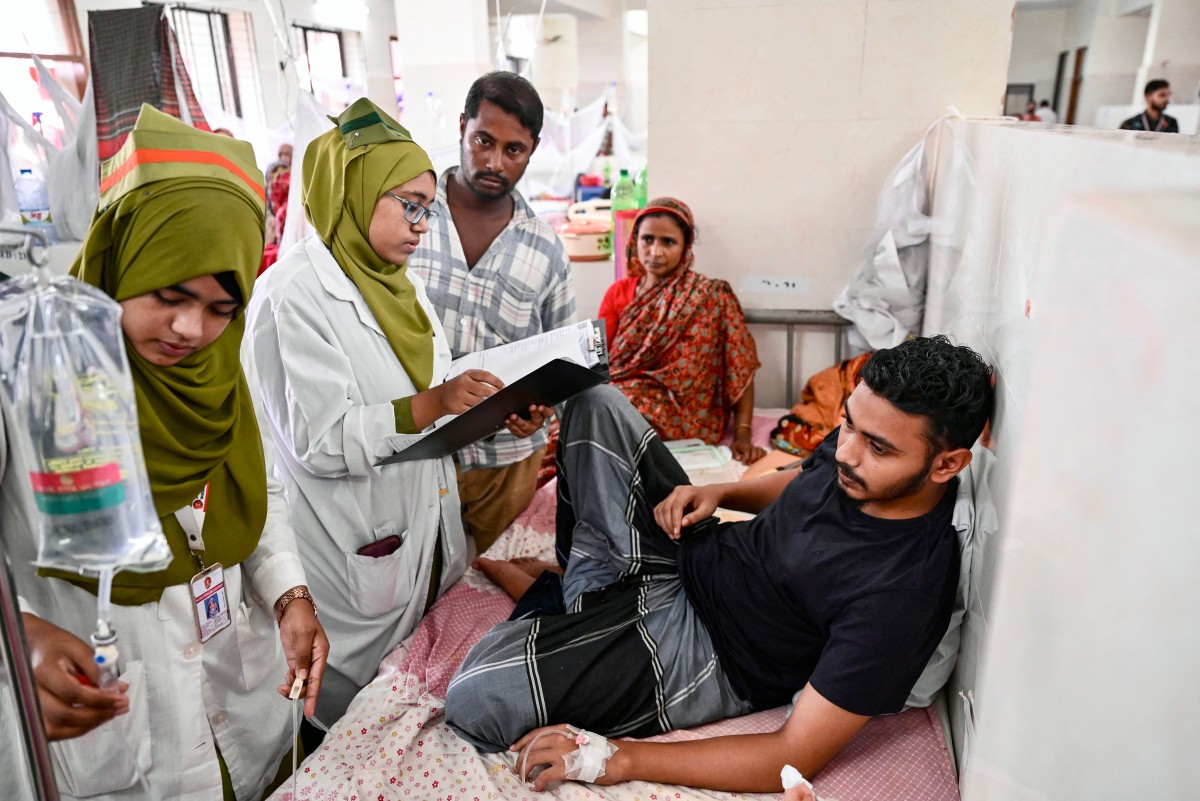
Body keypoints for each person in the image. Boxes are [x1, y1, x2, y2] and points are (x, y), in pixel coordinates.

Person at [445, 335, 993, 794]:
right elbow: (805, 480)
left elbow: (795, 752)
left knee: (476, 700)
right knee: (596, 403)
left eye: (877, 448)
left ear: (948, 464)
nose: (847, 452)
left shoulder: (903, 592)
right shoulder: (861, 447)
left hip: (706, 650)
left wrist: (621, 759)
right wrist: (720, 491)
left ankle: (576, 601)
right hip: (695, 553)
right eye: (848, 425)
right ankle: (584, 601)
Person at [0, 104, 327, 799]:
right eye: (171, 295)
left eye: (220, 307)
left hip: (236, 710)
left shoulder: (216, 369)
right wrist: (19, 636)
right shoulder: (27, 377)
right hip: (113, 734)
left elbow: (256, 487)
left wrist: (288, 590)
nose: (189, 329)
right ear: (120, 261)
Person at [244, 98, 546, 724]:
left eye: (426, 211)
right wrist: (430, 404)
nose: (420, 226)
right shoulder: (294, 294)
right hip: (349, 539)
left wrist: (476, 407)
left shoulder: (392, 285)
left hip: (420, 523)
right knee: (345, 721)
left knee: (406, 690)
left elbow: (424, 397)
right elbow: (318, 440)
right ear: (355, 192)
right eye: (406, 205)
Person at [409, 71, 575, 554]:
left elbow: (561, 362)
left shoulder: (546, 250)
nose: (493, 162)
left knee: (488, 595)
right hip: (412, 448)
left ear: (533, 150)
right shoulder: (409, 217)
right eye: (482, 140)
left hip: (505, 461)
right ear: (462, 126)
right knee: (411, 589)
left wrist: (540, 412)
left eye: (513, 150)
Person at [597, 197, 765, 464]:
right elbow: (600, 362)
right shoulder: (618, 293)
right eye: (647, 239)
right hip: (625, 400)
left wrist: (742, 433)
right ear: (634, 241)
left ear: (685, 247)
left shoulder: (710, 296)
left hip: (688, 416)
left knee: (609, 416)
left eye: (668, 242)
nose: (655, 252)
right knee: (589, 409)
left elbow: (740, 367)